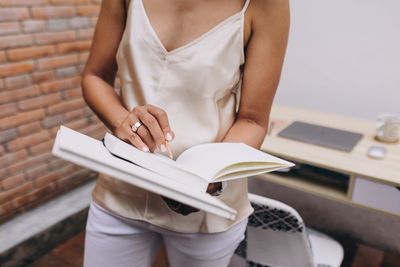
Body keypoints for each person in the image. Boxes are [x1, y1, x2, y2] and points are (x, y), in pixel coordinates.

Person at [81, 0, 289, 266]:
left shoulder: (265, 4)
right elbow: (95, 76)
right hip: (121, 192)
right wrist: (123, 121)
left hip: (207, 210)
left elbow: (253, 120)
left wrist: (208, 178)